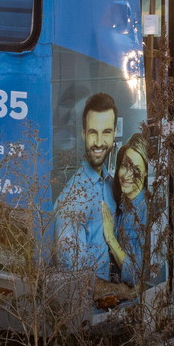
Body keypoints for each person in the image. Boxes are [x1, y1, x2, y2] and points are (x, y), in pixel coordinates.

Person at [52, 92, 118, 280]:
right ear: (83, 134)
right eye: (92, 133)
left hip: (116, 299)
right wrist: (123, 292)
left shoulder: (111, 185)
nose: (98, 142)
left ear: (114, 133)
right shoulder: (71, 203)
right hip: (93, 307)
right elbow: (76, 282)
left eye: (106, 132)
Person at [102, 131, 161, 287]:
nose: (127, 175)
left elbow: (135, 274)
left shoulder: (139, 211)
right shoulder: (130, 201)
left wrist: (110, 238)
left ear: (146, 171)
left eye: (135, 168)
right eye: (124, 166)